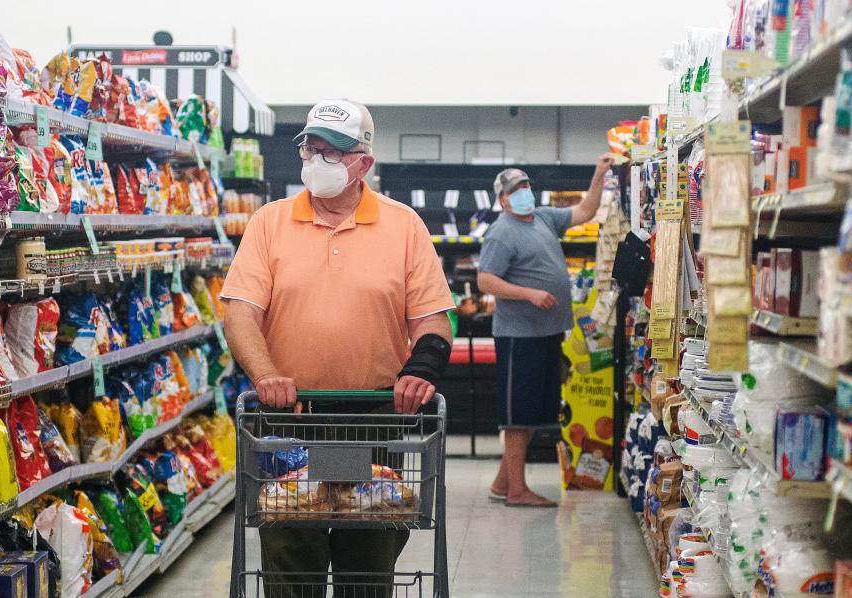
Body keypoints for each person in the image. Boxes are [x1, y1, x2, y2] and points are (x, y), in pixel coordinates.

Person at [221, 99, 455, 597]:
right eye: (311, 147)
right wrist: (266, 376)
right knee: (289, 543)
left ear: (363, 163)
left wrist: (421, 369)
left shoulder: (403, 225)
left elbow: (434, 319)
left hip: (369, 419)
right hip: (288, 419)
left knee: (367, 547)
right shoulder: (269, 222)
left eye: (332, 151)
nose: (316, 158)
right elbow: (239, 311)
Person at [476, 155, 616, 507]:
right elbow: (485, 280)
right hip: (518, 335)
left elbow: (585, 211)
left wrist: (598, 172)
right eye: (515, 189)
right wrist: (530, 293)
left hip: (546, 333)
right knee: (517, 416)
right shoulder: (501, 232)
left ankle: (502, 483)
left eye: (526, 186)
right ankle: (518, 491)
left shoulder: (542, 218)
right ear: (503, 200)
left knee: (533, 411)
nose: (524, 192)